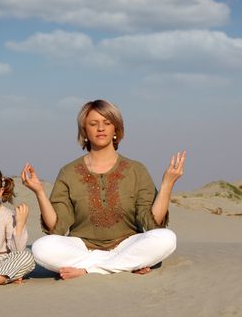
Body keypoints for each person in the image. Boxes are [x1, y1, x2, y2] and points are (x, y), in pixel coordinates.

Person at [21, 99, 185, 280]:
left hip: (127, 244)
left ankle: (89, 269)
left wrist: (167, 185)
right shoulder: (68, 172)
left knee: (166, 239)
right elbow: (56, 228)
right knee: (41, 247)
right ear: (84, 130)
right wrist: (39, 192)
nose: (101, 128)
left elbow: (152, 224)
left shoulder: (136, 169)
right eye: (93, 124)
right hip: (83, 247)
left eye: (107, 123)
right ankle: (120, 265)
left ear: (116, 129)